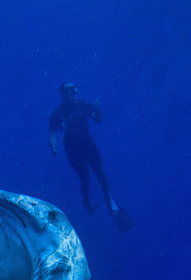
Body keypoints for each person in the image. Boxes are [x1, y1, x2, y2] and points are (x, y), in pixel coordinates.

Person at [49, 83, 133, 232]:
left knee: (101, 173)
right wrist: (53, 148)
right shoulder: (58, 112)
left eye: (74, 90)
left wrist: (96, 107)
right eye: (69, 91)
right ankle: (87, 201)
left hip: (88, 145)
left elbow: (98, 118)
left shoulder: (83, 105)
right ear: (63, 94)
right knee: (85, 178)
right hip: (73, 150)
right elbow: (53, 132)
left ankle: (109, 200)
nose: (73, 93)